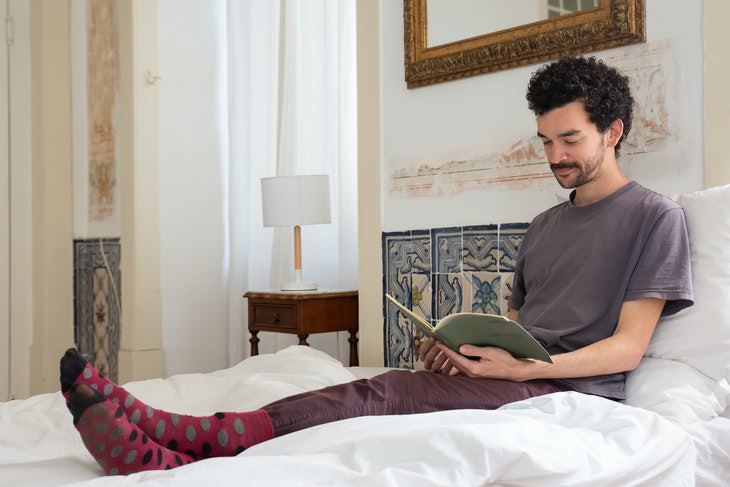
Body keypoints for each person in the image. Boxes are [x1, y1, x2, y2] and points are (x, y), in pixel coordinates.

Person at [60, 56, 694, 476]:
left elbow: (627, 349)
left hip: (561, 387)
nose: (555, 156)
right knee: (394, 381)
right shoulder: (544, 226)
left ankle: (185, 444)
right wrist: (464, 351)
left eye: (571, 140)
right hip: (514, 372)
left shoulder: (654, 218)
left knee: (384, 390)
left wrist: (528, 366)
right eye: (546, 142)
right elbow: (518, 323)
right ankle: (161, 432)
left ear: (612, 131)